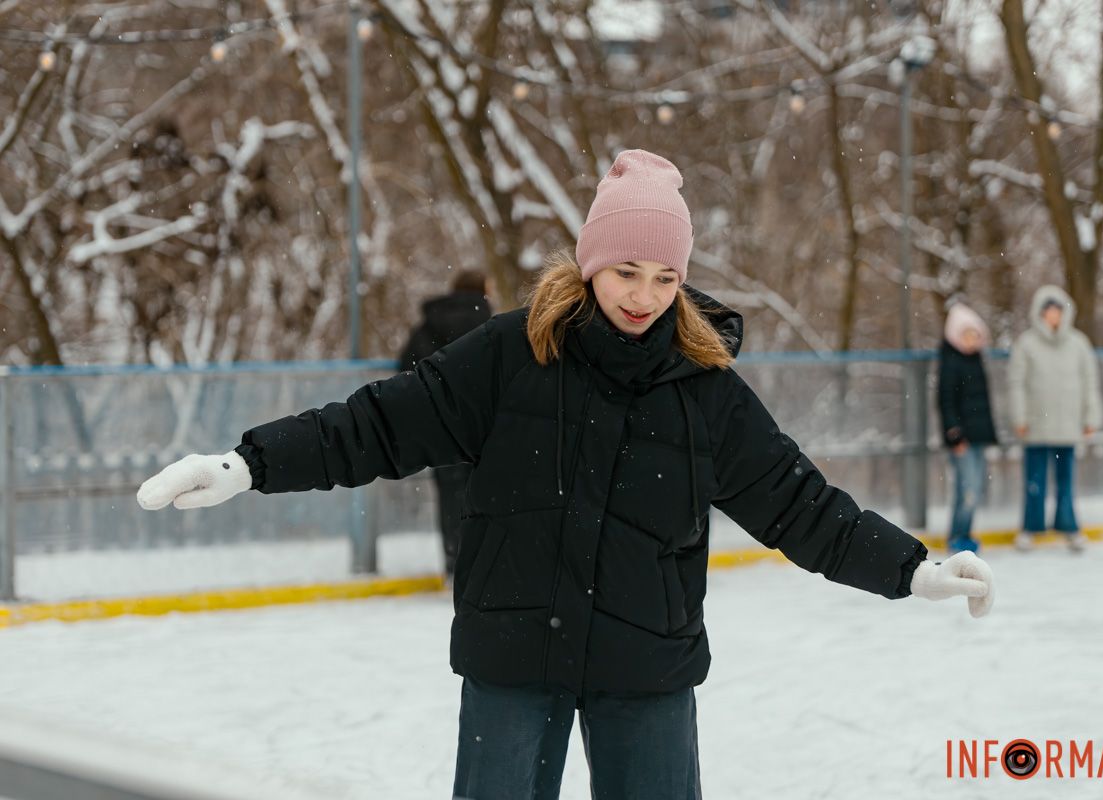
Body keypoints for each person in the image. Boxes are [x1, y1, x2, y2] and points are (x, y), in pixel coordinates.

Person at [137, 150, 995, 800]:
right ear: (591, 262)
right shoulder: (513, 355)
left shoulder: (706, 393)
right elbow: (375, 425)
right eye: (627, 270)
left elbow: (800, 506)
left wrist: (910, 567)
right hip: (514, 655)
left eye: (666, 277)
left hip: (646, 668)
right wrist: (247, 464)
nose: (644, 295)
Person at [397, 270, 493, 580]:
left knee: (450, 496)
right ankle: (482, 564)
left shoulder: (429, 326)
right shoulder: (491, 326)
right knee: (487, 494)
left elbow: (406, 371)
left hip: (441, 428)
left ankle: (454, 563)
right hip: (485, 429)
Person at [1007, 285, 1103, 553]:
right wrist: (1020, 416)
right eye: (1048, 310)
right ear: (1039, 313)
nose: (1053, 316)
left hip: (1067, 426)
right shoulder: (1026, 344)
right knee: (1034, 481)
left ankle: (1069, 526)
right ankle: (1030, 527)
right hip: (1036, 426)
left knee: (1066, 482)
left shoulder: (1078, 344)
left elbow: (1089, 382)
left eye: (1057, 310)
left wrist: (1090, 416)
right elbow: (1017, 383)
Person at [937, 303, 999, 555]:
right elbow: (946, 401)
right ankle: (957, 534)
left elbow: (982, 402)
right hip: (962, 439)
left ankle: (964, 533)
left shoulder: (976, 361)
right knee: (968, 487)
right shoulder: (951, 363)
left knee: (974, 486)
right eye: (966, 335)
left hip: (978, 436)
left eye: (975, 335)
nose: (971, 340)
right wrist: (954, 433)